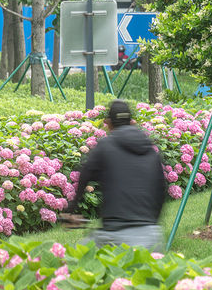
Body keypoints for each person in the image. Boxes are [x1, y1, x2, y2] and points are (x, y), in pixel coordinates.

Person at [63, 99, 166, 250]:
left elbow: (84, 175)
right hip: (152, 236)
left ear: (109, 123)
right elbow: (162, 189)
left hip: (115, 235)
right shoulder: (150, 149)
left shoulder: (105, 146)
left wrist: (71, 211)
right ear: (132, 122)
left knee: (72, 258)